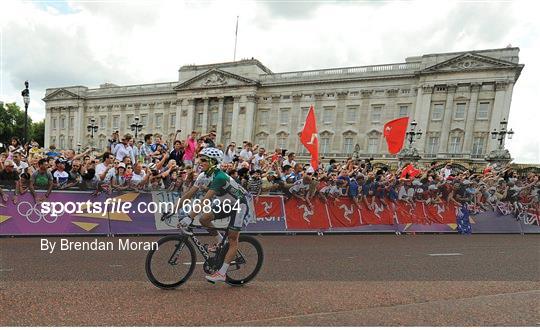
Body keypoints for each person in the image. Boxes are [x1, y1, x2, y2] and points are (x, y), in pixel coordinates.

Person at [178, 147, 255, 283]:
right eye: (199, 159)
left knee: (233, 238)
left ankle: (222, 273)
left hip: (240, 204)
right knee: (204, 219)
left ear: (213, 162)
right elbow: (189, 194)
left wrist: (189, 217)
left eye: (203, 160)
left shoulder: (219, 177)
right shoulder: (203, 176)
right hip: (226, 203)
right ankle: (221, 243)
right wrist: (172, 210)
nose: (199, 162)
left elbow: (205, 200)